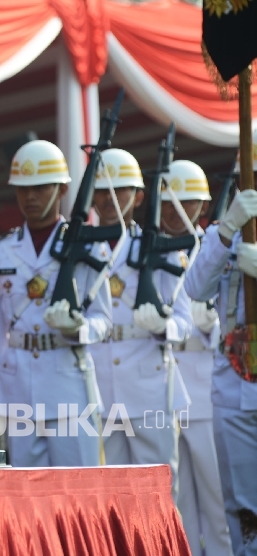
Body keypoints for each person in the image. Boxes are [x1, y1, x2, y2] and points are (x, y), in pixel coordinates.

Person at [0, 139, 111, 467]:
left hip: (70, 385)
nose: (31, 197)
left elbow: (103, 320)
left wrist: (80, 328)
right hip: (18, 390)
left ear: (63, 189)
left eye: (40, 187)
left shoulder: (88, 247)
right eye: (23, 188)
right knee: (30, 502)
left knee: (79, 498)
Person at [89, 148, 191, 497]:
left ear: (139, 197)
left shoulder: (160, 248)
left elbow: (184, 321)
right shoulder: (78, 249)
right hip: (97, 386)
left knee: (159, 491)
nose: (109, 199)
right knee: (106, 494)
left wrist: (163, 327)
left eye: (120, 191)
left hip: (149, 384)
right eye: (102, 191)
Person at [185, 164, 257, 555]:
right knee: (241, 508)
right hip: (234, 384)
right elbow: (196, 289)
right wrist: (227, 229)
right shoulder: (223, 234)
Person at [162, 160, 232, 555]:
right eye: (168, 203)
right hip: (165, 388)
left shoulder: (214, 247)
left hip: (205, 389)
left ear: (202, 206)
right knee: (178, 504)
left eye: (185, 202)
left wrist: (212, 323)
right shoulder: (148, 249)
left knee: (218, 502)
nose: (175, 211)